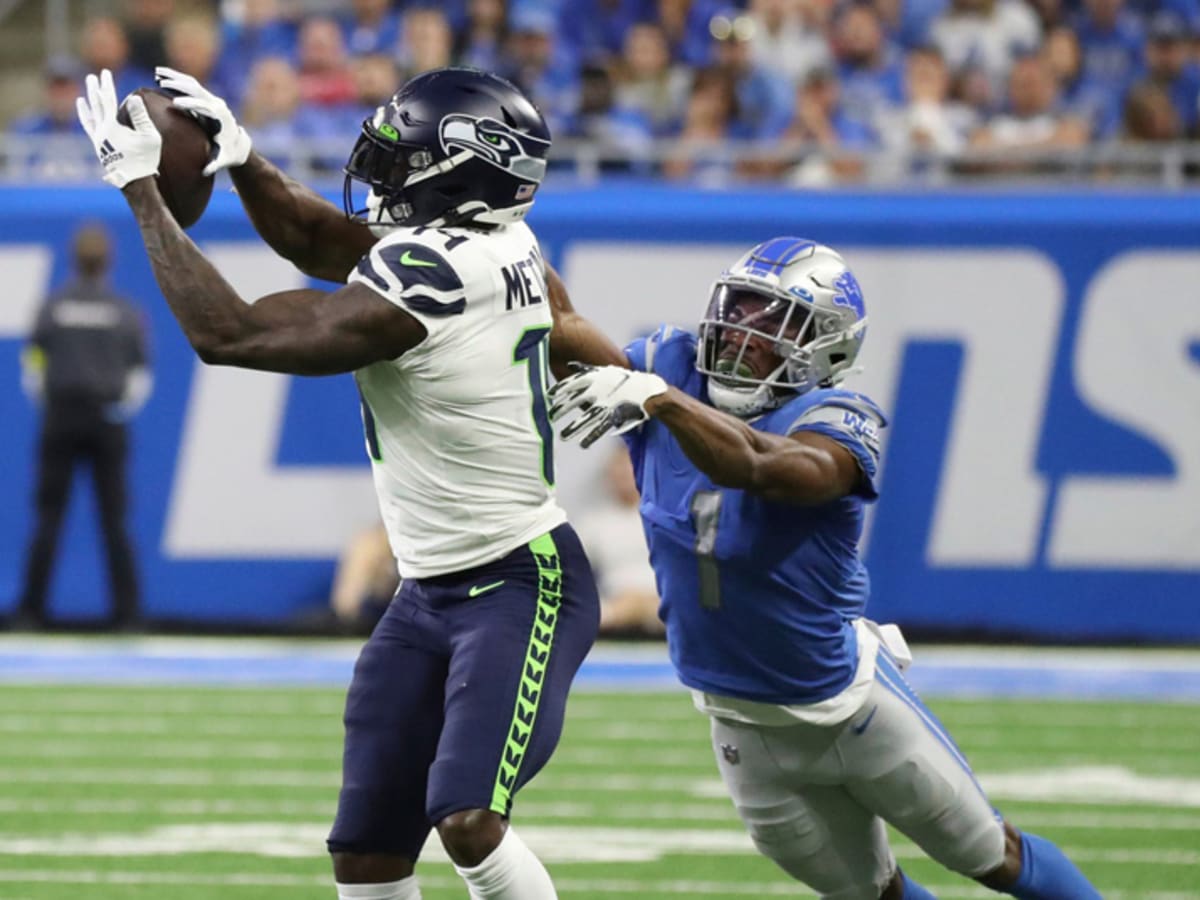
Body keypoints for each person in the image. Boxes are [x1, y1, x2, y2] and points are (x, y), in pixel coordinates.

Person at [75, 64, 625, 900]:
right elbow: (322, 243)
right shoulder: (495, 241)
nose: (384, 170)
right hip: (426, 591)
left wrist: (143, 193)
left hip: (520, 579)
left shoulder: (440, 278)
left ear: (464, 172)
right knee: (366, 853)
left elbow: (235, 335)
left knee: (469, 822)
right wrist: (243, 157)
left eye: (406, 156)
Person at [547, 238, 1103, 900]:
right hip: (736, 721)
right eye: (741, 308)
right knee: (871, 896)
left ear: (826, 346)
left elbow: (765, 469)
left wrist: (661, 401)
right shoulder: (669, 366)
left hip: (848, 708)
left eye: (772, 319)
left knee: (992, 855)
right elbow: (553, 322)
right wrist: (490, 232)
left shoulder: (836, 418)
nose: (743, 330)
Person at [13, 222, 151, 631]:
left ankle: (30, 612)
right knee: (115, 519)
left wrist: (51, 403)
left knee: (49, 516)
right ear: (108, 261)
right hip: (106, 418)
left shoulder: (53, 306)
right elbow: (140, 373)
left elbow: (33, 365)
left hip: (61, 416)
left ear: (74, 260)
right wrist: (118, 408)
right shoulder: (125, 310)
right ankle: (127, 616)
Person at [573, 445, 663, 637]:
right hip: (616, 604)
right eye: (618, 469)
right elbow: (570, 570)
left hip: (661, 602)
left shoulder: (663, 518)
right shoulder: (595, 522)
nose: (624, 476)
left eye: (629, 468)